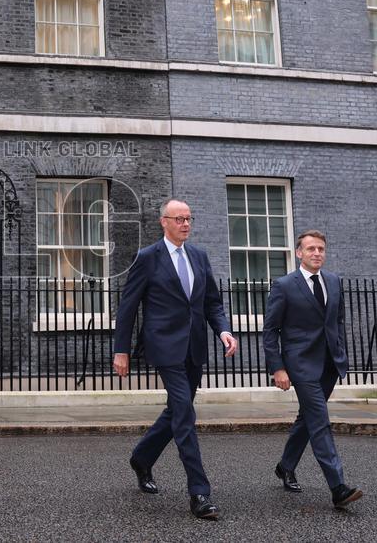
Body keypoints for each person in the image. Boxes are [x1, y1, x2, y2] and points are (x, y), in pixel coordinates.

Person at [113, 198, 238, 520]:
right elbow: (128, 308)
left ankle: (142, 458)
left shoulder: (199, 256)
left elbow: (212, 302)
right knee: (184, 413)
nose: (186, 224)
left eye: (189, 219)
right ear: (164, 222)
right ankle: (199, 492)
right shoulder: (147, 258)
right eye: (179, 219)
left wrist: (223, 330)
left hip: (194, 345)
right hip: (164, 346)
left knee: (176, 410)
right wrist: (121, 350)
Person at [262, 230, 362, 509]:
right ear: (299, 253)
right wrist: (278, 368)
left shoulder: (333, 281)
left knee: (307, 418)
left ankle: (285, 466)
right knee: (319, 421)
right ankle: (338, 487)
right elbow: (270, 331)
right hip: (301, 364)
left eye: (320, 249)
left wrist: (340, 350)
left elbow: (337, 321)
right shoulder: (284, 285)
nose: (316, 253)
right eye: (310, 249)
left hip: (330, 363)